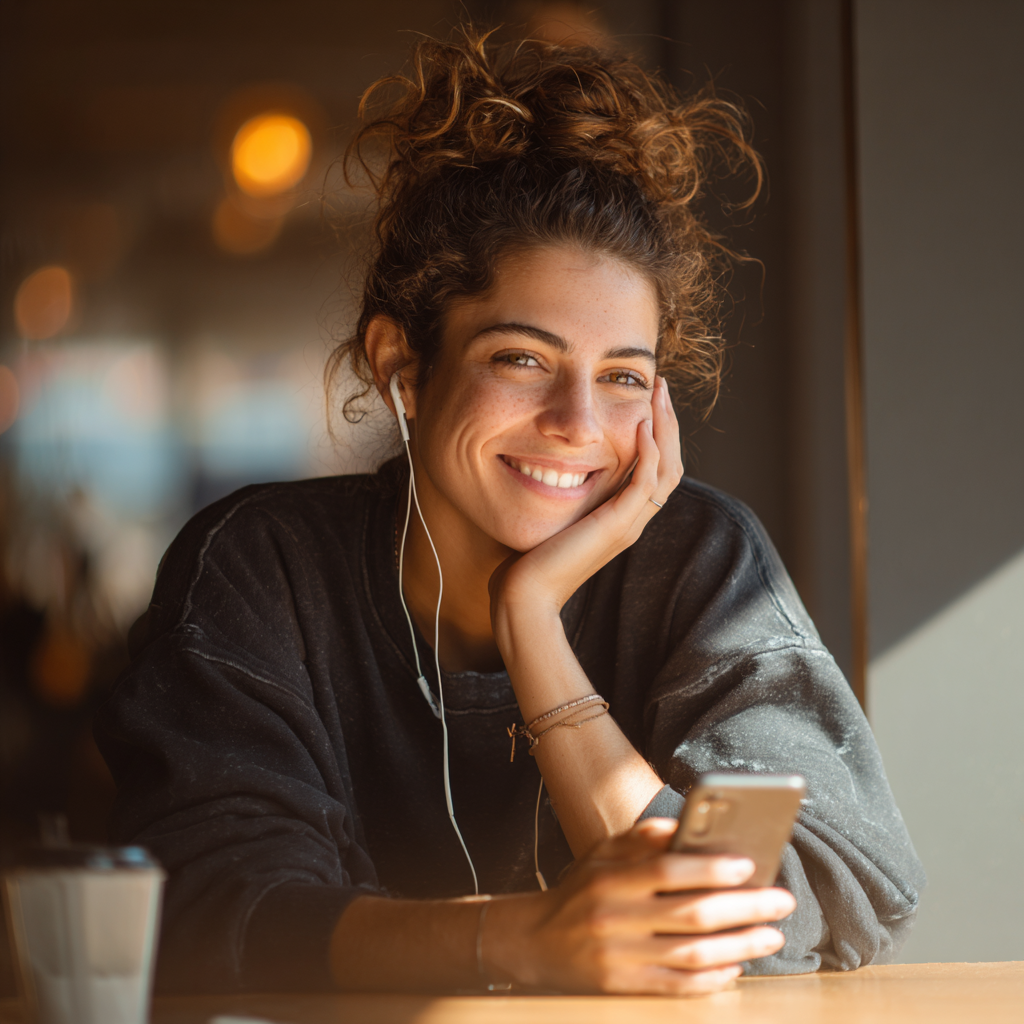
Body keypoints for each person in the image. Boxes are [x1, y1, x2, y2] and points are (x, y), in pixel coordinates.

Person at [95, 28, 924, 996]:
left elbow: (826, 883)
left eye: (621, 376)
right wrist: (518, 939)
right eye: (521, 358)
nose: (576, 424)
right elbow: (211, 903)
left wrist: (532, 622)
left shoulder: (697, 557)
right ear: (399, 362)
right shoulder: (261, 568)